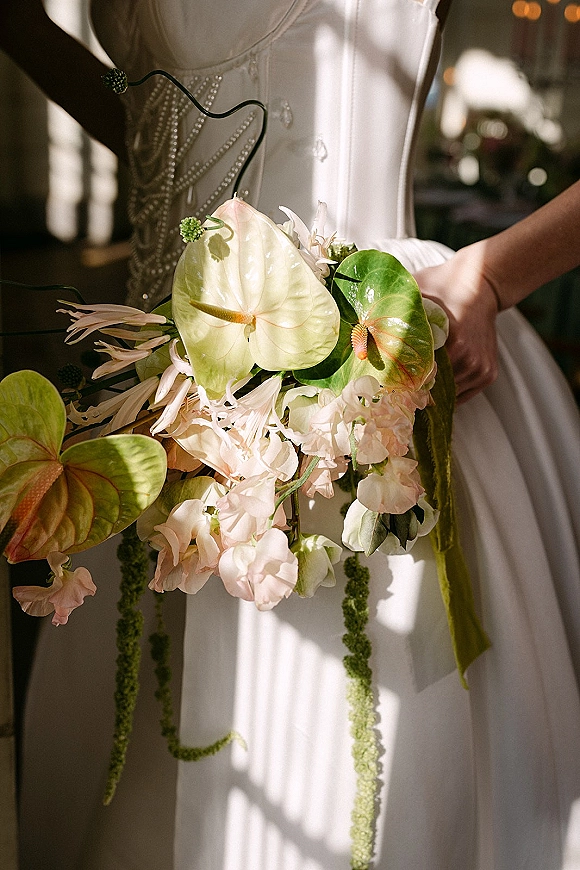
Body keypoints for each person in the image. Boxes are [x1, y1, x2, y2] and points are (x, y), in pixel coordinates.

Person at [2, 1, 580, 869]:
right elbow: (156, 110)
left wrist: (494, 279)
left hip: (357, 361)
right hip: (157, 398)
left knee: (333, 751)